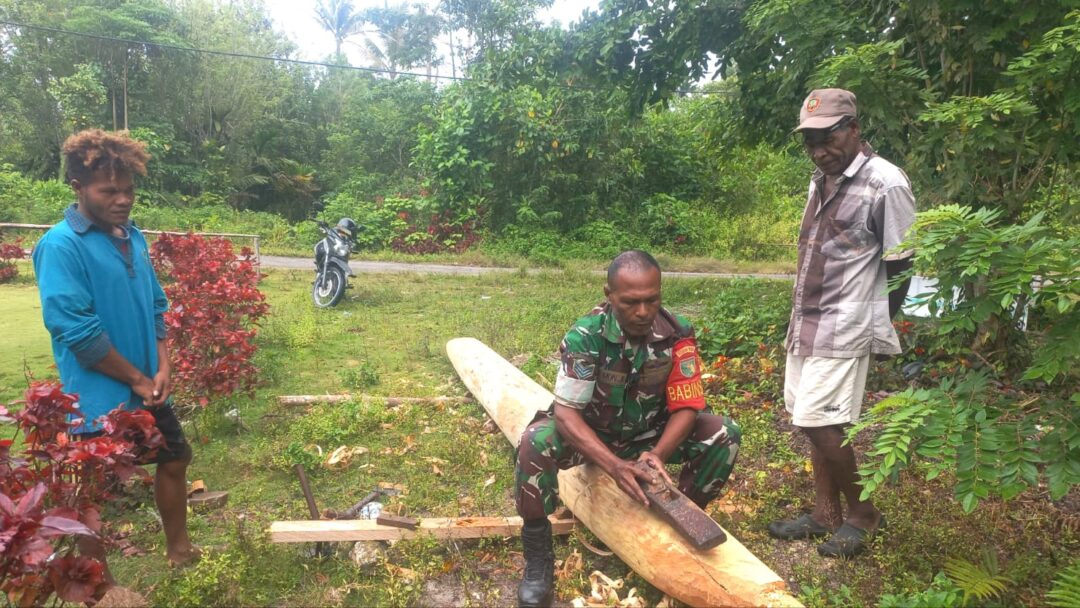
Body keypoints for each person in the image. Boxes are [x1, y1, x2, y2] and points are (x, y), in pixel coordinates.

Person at [514, 250, 742, 607]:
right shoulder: (586, 336)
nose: (643, 311)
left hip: (647, 435)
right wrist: (615, 466)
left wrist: (658, 454)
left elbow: (686, 404)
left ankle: (681, 517)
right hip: (592, 436)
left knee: (724, 432)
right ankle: (538, 558)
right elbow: (567, 415)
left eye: (652, 300)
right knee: (535, 441)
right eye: (630, 302)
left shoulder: (678, 332)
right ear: (610, 295)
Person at [31, 129, 200, 581]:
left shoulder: (133, 237)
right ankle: (99, 585)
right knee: (93, 496)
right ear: (78, 187)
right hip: (97, 399)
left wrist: (162, 366)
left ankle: (180, 550)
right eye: (109, 191)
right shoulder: (61, 246)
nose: (123, 199)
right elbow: (76, 331)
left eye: (128, 189)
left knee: (175, 458)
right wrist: (138, 379)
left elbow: (156, 305)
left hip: (148, 387)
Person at [767, 89, 915, 558]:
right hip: (807, 320)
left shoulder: (886, 183)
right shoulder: (821, 180)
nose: (818, 150)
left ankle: (864, 514)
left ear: (853, 128)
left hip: (846, 325)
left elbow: (902, 262)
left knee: (819, 419)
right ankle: (824, 513)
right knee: (813, 418)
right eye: (810, 141)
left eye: (827, 137)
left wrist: (878, 323)